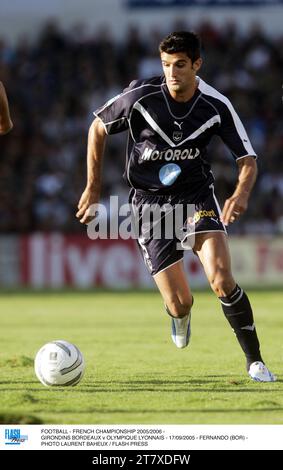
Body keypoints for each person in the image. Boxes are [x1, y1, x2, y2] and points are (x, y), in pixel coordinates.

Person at [76, 31, 275, 382]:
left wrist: (240, 194)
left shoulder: (216, 104)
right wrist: (93, 188)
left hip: (196, 197)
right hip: (149, 205)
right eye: (166, 64)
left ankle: (255, 361)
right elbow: (98, 127)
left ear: (197, 64)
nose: (172, 72)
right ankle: (179, 315)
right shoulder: (140, 97)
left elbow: (247, 159)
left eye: (180, 65)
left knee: (221, 278)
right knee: (180, 301)